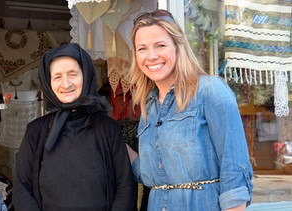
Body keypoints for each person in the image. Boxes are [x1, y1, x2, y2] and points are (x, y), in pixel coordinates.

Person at [126, 9, 253, 211]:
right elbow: (148, 172)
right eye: (142, 48)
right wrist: (112, 140)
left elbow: (235, 170)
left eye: (160, 45)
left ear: (178, 47)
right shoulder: (148, 106)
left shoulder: (210, 90)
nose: (151, 56)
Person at [13, 42, 136, 211]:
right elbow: (22, 189)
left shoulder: (108, 129)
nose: (66, 84)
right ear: (48, 83)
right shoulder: (36, 131)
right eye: (57, 77)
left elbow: (125, 188)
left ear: (86, 76)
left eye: (73, 74)